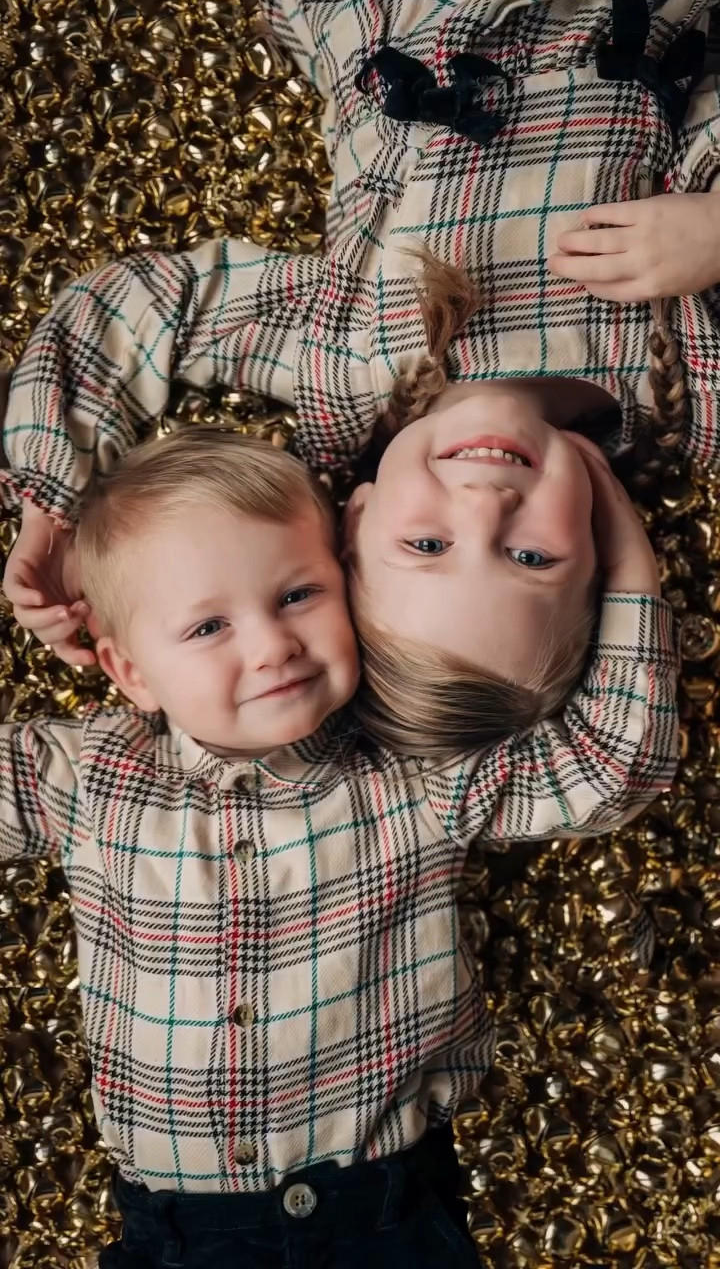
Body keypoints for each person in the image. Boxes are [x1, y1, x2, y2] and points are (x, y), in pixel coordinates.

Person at [0, 424, 678, 1269]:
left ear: (351, 584)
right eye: (208, 627)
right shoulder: (85, 774)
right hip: (181, 1234)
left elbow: (613, 769)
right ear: (131, 671)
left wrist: (631, 569)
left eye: (297, 596)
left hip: (383, 1213)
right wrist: (47, 519)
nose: (272, 645)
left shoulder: (413, 776)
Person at [2, 0, 712, 758]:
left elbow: (137, 306)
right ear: (601, 552)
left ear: (358, 521)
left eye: (427, 546)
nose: (482, 508)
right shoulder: (691, 383)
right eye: (532, 558)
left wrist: (51, 505)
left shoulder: (343, 368)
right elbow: (618, 762)